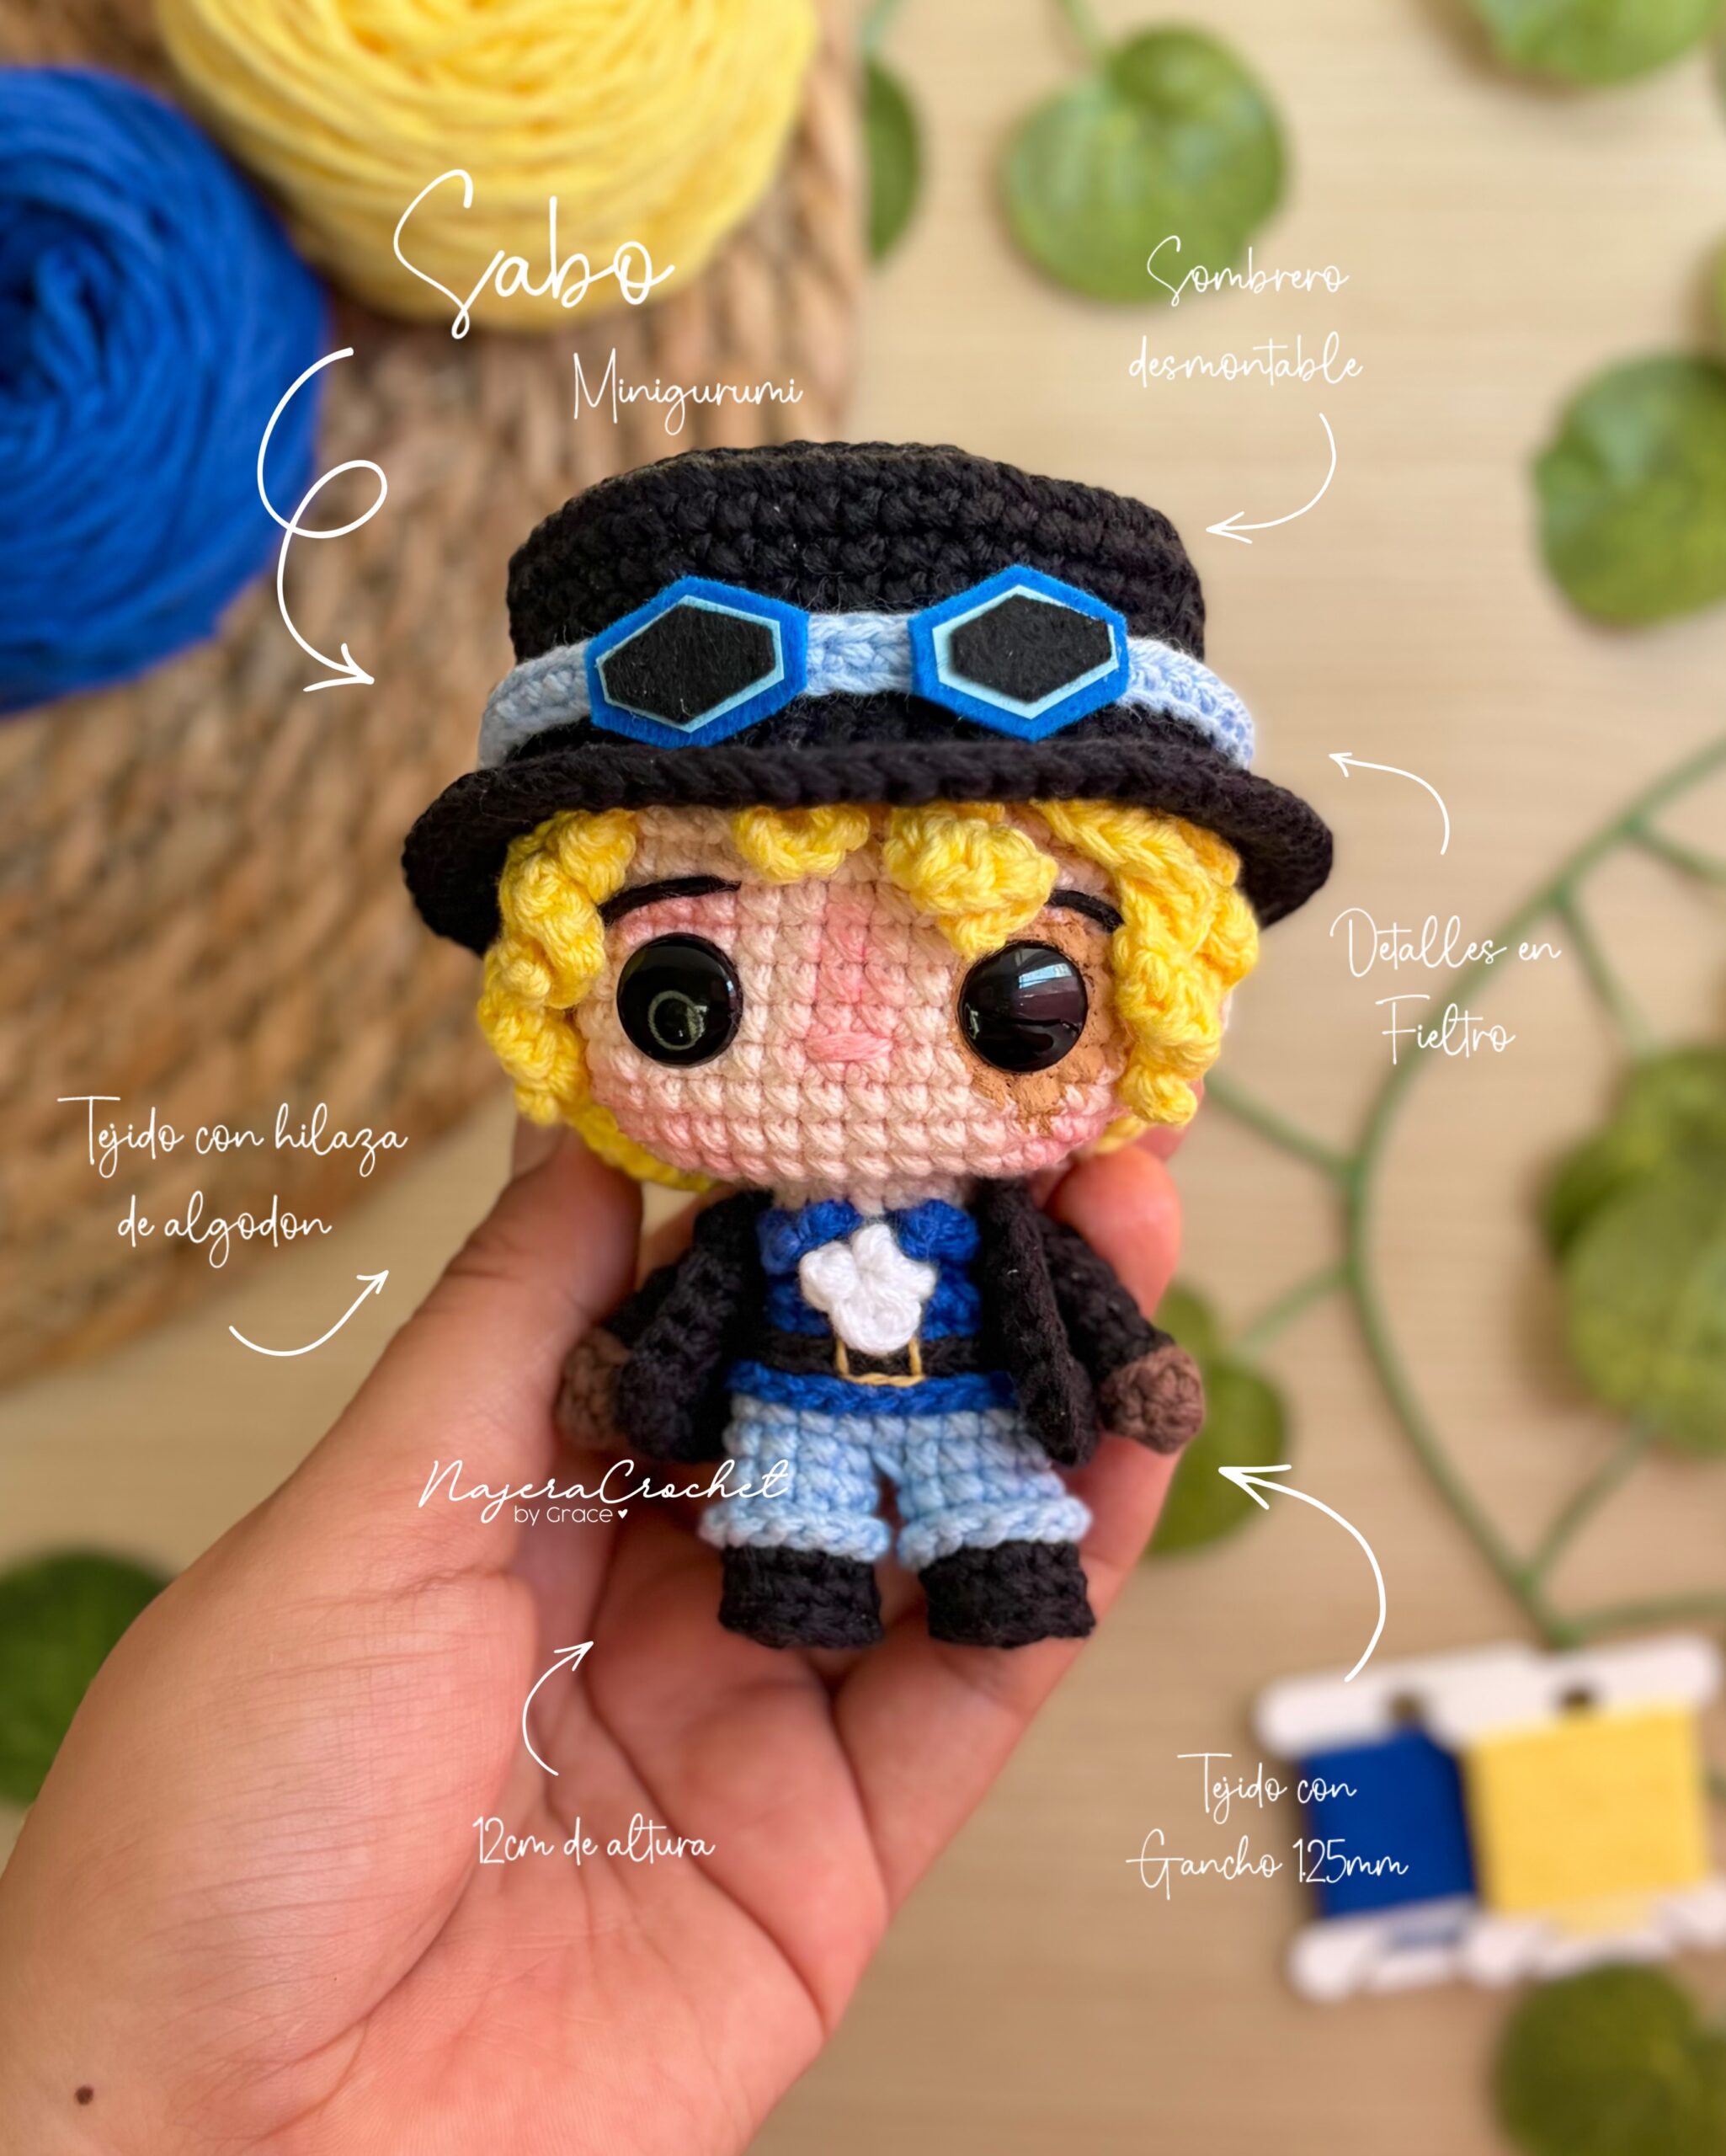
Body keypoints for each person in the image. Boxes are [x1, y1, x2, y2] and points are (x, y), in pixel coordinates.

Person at [0, 1117, 1186, 2154]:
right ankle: (809, 1581)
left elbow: (1075, 1286)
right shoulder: (754, 1219)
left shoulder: (987, 1221)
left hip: (970, 1406)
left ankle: (999, 1573)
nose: (853, 1054)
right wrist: (619, 1365)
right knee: (792, 1527)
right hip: (790, 1412)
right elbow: (689, 1301)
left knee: (1003, 1525)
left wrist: (1130, 1360)